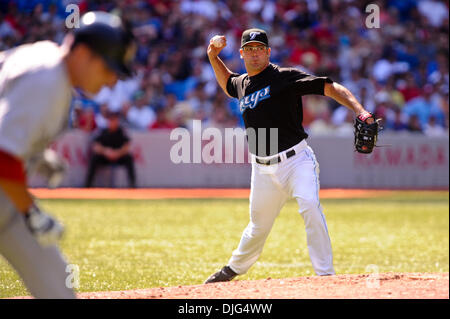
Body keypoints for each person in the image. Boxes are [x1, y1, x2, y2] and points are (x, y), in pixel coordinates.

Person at [204, 28, 375, 283]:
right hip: (262, 170)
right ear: (241, 54)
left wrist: (361, 111)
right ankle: (233, 269)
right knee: (258, 227)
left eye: (259, 49)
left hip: (296, 161)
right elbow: (228, 84)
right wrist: (212, 56)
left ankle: (326, 275)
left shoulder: (284, 77)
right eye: (249, 50)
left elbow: (328, 87)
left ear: (268, 52)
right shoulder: (242, 84)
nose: (254, 54)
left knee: (309, 205)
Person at [0, 11, 136, 298]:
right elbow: (2, 157)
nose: (112, 81)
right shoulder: (48, 81)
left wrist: (38, 158)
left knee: (57, 284)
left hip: (6, 202)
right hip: (10, 200)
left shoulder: (47, 59)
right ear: (84, 53)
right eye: (109, 69)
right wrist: (32, 212)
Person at [84, 111, 136, 188]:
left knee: (129, 158)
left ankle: (132, 185)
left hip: (119, 156)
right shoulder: (103, 132)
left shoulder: (121, 132)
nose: (112, 122)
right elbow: (96, 146)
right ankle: (88, 184)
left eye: (114, 120)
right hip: (105, 156)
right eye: (111, 120)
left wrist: (117, 153)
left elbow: (127, 146)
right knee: (95, 157)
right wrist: (106, 152)